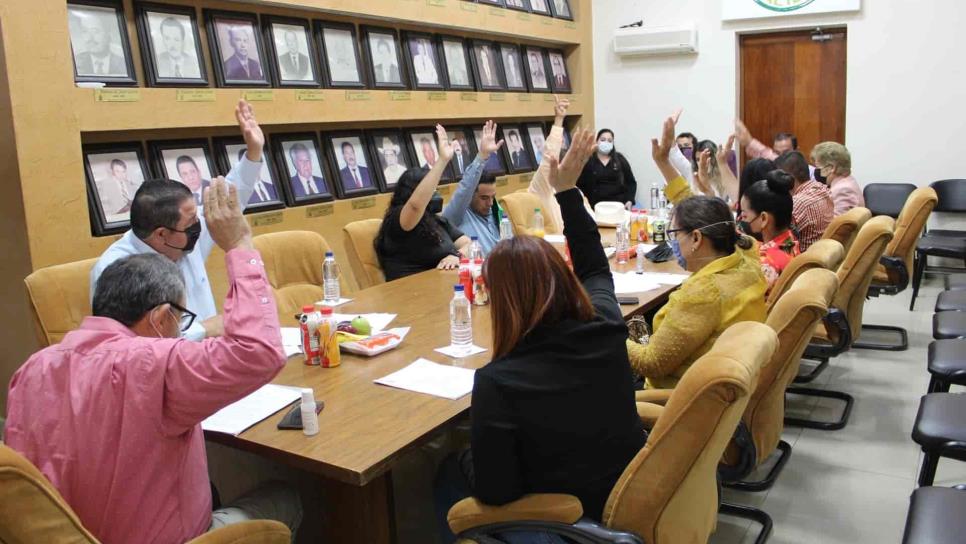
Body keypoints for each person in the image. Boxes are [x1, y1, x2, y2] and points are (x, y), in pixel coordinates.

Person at [6, 178, 301, 544]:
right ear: (162, 318)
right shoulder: (157, 362)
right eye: (181, 318)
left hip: (70, 533)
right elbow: (260, 351)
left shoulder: (30, 370)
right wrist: (240, 245)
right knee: (287, 498)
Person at [434, 128, 646, 544]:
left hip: (562, 520)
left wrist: (468, 456)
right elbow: (595, 270)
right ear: (561, 279)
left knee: (446, 473)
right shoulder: (605, 325)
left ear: (501, 304)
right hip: (627, 489)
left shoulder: (500, 381)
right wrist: (566, 190)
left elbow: (497, 491)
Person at [90, 100, 264, 342]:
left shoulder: (182, 238)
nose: (199, 225)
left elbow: (229, 199)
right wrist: (203, 330)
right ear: (162, 234)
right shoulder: (114, 270)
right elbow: (128, 348)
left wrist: (254, 152)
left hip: (211, 357)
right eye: (191, 221)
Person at [634, 112, 767, 389]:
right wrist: (663, 161)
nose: (673, 243)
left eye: (675, 235)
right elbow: (697, 209)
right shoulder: (746, 252)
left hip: (675, 400)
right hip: (718, 382)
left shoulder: (702, 294)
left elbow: (651, 362)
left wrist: (608, 335)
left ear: (696, 238)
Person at [375, 125, 471, 281]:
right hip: (412, 294)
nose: (434, 195)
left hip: (444, 288)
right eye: (430, 191)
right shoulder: (398, 221)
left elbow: (469, 243)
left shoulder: (435, 220)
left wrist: (457, 256)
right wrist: (442, 160)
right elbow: (415, 206)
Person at [528, 95, 594, 233]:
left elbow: (590, 221)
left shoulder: (574, 190)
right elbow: (549, 157)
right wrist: (559, 120)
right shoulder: (542, 187)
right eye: (564, 168)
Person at [441, 120, 504, 253]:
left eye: (493, 197)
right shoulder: (456, 214)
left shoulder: (496, 211)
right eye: (484, 198)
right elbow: (465, 188)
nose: (490, 203)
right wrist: (482, 156)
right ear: (470, 196)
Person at [739, 170, 801, 292]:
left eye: (745, 215)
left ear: (763, 218)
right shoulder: (790, 240)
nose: (741, 219)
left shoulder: (766, 267)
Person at [774, 150, 833, 251]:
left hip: (803, 263)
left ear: (788, 179)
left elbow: (779, 245)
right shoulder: (823, 189)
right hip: (822, 257)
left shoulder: (797, 203)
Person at [576, 128, 637, 208]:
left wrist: (629, 200)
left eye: (609, 140)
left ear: (612, 144)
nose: (606, 142)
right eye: (603, 139)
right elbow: (579, 185)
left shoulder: (620, 159)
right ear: (597, 141)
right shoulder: (588, 161)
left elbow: (631, 183)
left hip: (619, 205)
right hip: (595, 206)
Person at [735, 119, 815, 180]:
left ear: (797, 151)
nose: (781, 157)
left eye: (786, 152)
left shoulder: (811, 172)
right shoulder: (769, 171)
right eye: (777, 153)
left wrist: (751, 142)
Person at [811, 141, 864, 216]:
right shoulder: (848, 180)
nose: (816, 170)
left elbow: (838, 225)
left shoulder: (843, 190)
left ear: (832, 168)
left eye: (818, 166)